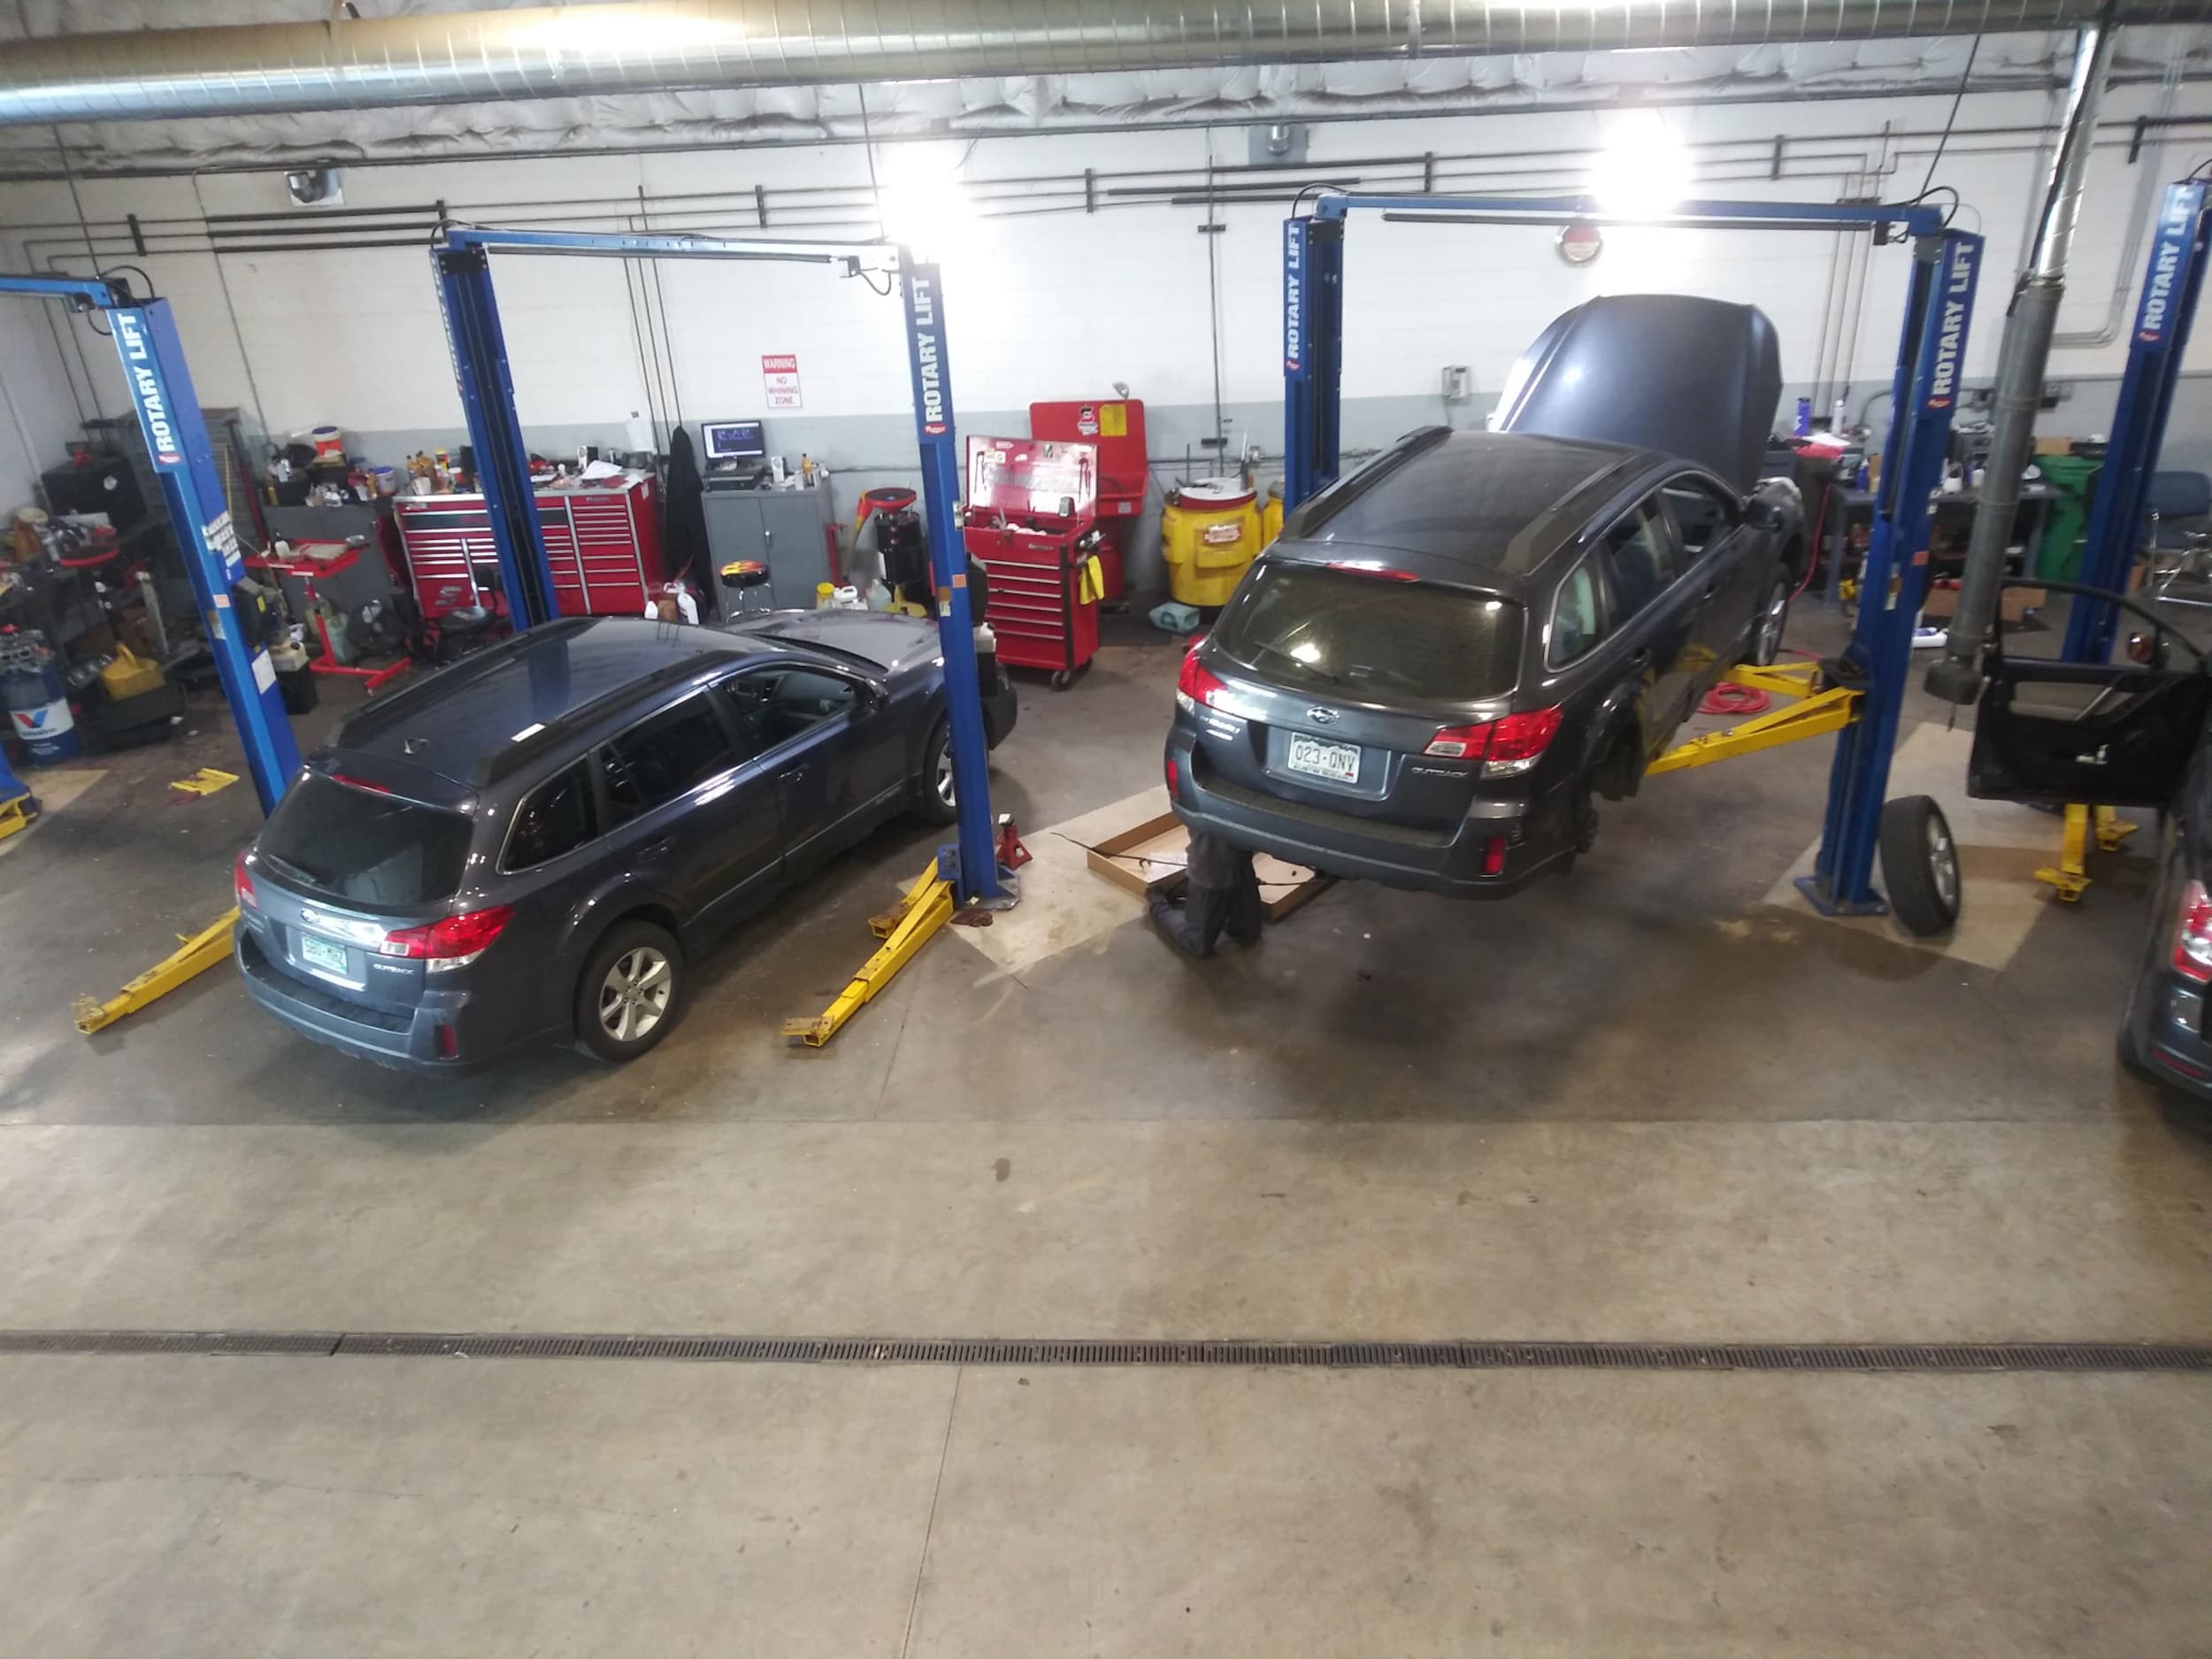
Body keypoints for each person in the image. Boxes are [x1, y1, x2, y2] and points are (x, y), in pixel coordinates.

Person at [1149, 830, 1263, 958]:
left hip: (1240, 865)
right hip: (1211, 868)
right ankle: (1158, 899)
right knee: (1198, 945)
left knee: (1248, 932)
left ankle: (1190, 889)